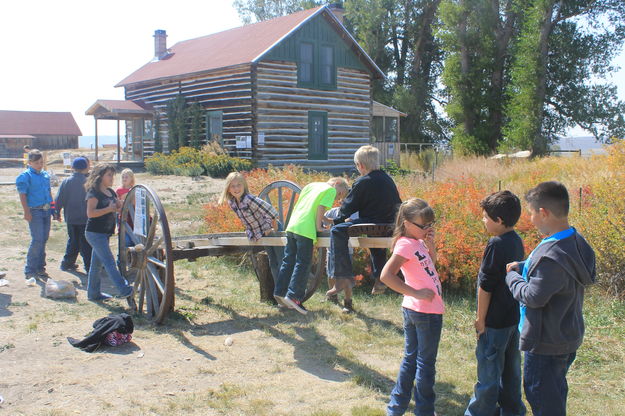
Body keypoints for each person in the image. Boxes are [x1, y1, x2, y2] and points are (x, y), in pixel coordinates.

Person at [506, 181, 596, 416]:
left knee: (542, 399)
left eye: (532, 213)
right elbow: (558, 271)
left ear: (543, 212)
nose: (531, 219)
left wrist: (512, 277)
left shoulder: (550, 254)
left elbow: (533, 296)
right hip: (566, 332)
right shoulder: (575, 241)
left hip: (545, 342)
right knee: (555, 392)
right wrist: (525, 266)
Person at [465, 191, 526, 416]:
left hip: (494, 323)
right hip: (513, 320)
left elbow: (486, 286)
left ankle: (479, 412)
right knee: (511, 373)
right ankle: (512, 411)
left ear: (499, 220)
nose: (483, 221)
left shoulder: (495, 244)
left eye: (486, 217)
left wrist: (481, 320)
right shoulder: (516, 240)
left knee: (488, 376)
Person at [381, 198, 443, 416]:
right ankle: (424, 411)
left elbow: (429, 266)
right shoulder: (406, 244)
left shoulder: (416, 242)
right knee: (425, 365)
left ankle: (396, 408)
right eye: (422, 225)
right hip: (424, 312)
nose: (426, 229)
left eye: (429, 225)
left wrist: (431, 245)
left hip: (421, 310)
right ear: (407, 223)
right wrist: (415, 292)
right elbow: (386, 276)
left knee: (412, 359)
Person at [327, 145, 401, 306]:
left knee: (337, 231)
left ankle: (342, 277)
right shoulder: (388, 179)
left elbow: (347, 209)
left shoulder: (362, 182)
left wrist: (336, 221)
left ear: (360, 165)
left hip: (371, 223)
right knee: (376, 240)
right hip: (390, 225)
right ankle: (380, 278)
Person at [274, 177, 349, 315]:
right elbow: (320, 208)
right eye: (340, 194)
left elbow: (309, 207)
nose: (337, 198)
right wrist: (319, 226)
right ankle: (293, 296)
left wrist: (327, 220)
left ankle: (280, 292)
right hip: (306, 230)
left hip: (292, 226)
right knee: (303, 263)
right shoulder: (330, 190)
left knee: (288, 260)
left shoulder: (311, 185)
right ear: (337, 184)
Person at [219, 172, 283, 282]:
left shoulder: (249, 199)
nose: (236, 188)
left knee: (281, 260)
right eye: (233, 186)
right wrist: (250, 231)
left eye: (239, 185)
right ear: (228, 189)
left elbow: (272, 212)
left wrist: (273, 229)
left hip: (272, 231)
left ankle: (286, 290)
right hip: (263, 234)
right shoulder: (233, 203)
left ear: (244, 186)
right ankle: (279, 292)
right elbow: (246, 219)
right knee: (273, 261)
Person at [84, 164, 134, 304]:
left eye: (113, 175)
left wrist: (121, 206)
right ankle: (124, 290)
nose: (112, 178)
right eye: (109, 175)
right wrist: (108, 209)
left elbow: (118, 207)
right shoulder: (94, 193)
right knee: (109, 262)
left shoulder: (111, 192)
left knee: (96, 265)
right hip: (94, 233)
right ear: (100, 177)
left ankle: (93, 294)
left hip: (104, 233)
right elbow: (90, 213)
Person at [16, 149, 54, 282]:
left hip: (46, 209)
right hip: (35, 210)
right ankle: (30, 269)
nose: (40, 165)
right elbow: (23, 194)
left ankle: (40, 267)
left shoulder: (45, 175)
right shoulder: (25, 176)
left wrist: (53, 208)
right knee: (37, 239)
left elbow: (48, 192)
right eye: (37, 162)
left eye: (41, 162)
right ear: (30, 162)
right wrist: (26, 211)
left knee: (44, 238)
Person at [55, 156, 92, 273]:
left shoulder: (66, 181)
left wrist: (56, 212)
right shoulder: (88, 182)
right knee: (85, 244)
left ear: (72, 168)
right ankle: (89, 267)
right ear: (86, 167)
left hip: (71, 218)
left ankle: (67, 263)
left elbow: (59, 199)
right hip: (85, 218)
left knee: (73, 241)